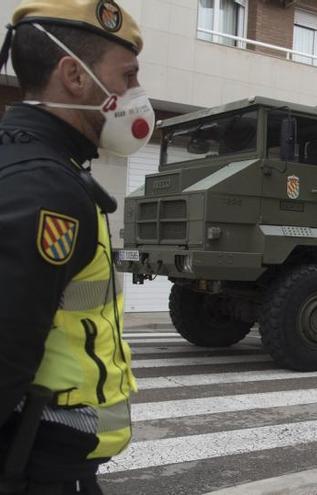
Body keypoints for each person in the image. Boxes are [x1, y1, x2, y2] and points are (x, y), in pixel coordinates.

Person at [0, 1, 151, 493]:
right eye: (127, 76)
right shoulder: (48, 189)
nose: (135, 93)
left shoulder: (33, 163)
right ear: (74, 75)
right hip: (33, 466)